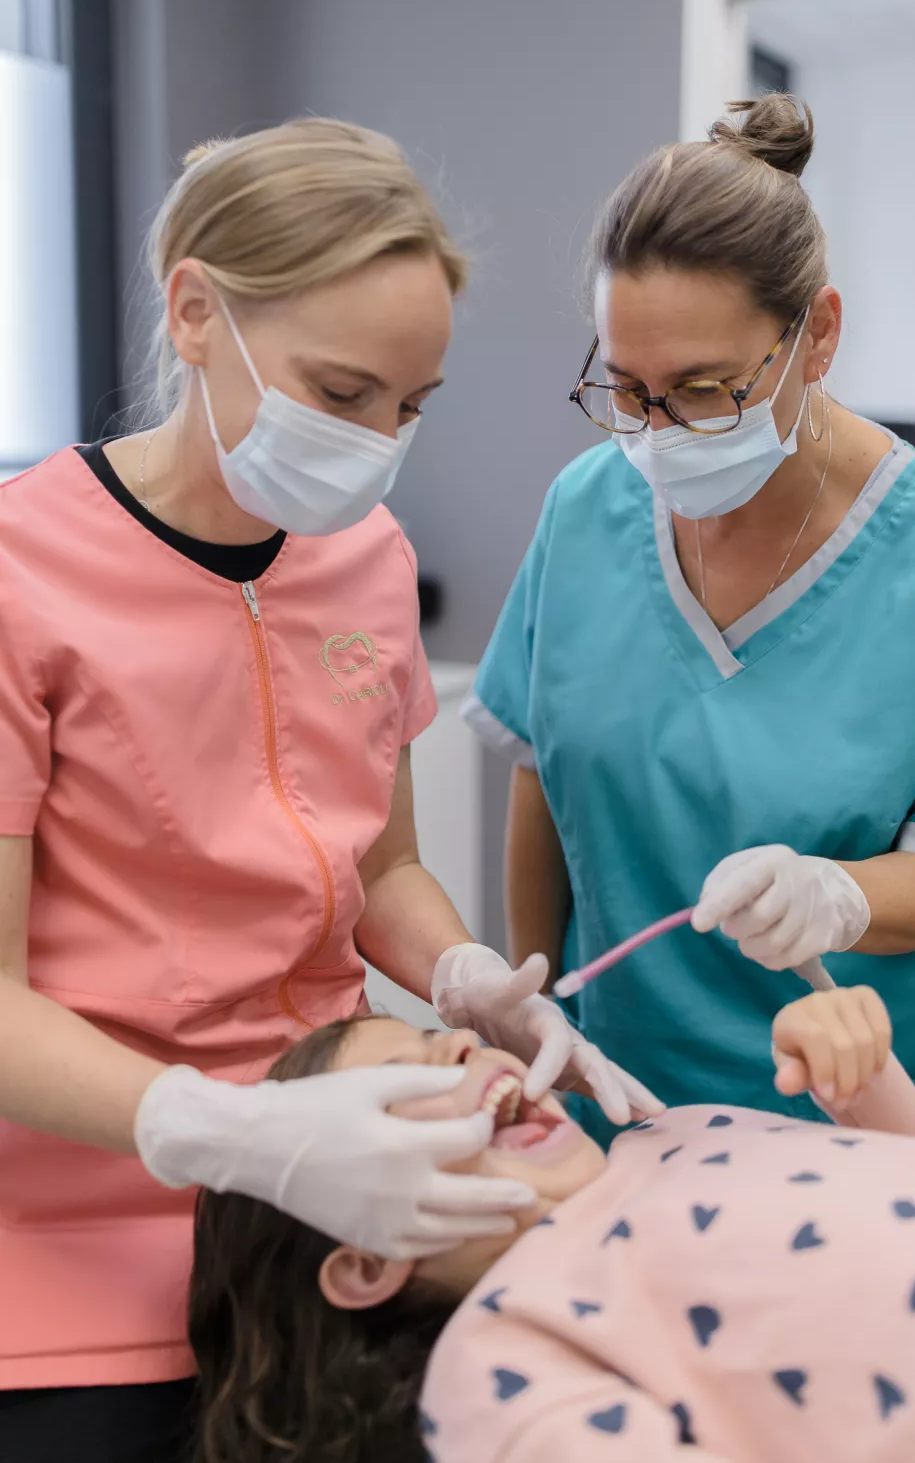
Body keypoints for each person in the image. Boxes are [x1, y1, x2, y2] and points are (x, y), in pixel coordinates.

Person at [0, 118, 655, 1463]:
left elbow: (380, 869)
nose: (377, 440)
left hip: (351, 1181)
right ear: (195, 312)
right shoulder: (23, 578)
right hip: (79, 1213)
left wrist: (467, 967)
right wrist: (222, 1128)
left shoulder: (361, 557)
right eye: (342, 390)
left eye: (411, 404)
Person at [464, 93, 915, 1151]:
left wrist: (837, 893)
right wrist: (535, 1009)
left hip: (851, 1113)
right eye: (628, 388)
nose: (655, 430)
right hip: (618, 1096)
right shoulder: (585, 513)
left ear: (815, 336)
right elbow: (538, 780)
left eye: (702, 390)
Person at [187, 995, 915, 1463]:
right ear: (367, 1258)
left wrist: (866, 1084)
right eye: (411, 1082)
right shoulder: (502, 1359)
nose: (462, 1044)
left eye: (437, 1034)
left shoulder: (672, 1134)